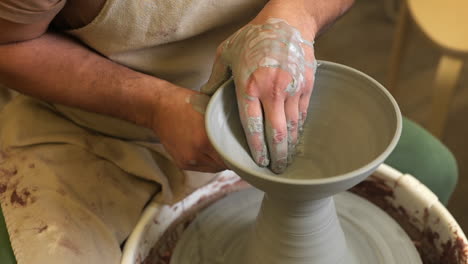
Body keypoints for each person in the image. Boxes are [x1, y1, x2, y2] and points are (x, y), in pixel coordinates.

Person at [0, 0, 458, 263]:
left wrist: (294, 16)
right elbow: (10, 45)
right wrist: (156, 106)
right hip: (93, 118)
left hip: (264, 84)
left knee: (436, 166)